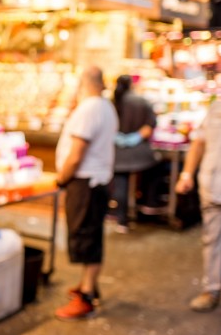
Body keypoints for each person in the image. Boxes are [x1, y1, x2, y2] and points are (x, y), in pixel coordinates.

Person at [175, 57, 221, 312]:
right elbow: (199, 142)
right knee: (212, 242)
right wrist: (187, 174)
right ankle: (211, 290)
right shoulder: (216, 108)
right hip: (212, 187)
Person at [54, 66, 119, 320]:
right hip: (97, 181)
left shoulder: (90, 108)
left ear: (83, 83)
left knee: (87, 237)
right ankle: (87, 285)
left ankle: (87, 296)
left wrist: (62, 177)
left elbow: (77, 152)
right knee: (91, 235)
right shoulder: (106, 107)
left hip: (86, 183)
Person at [110, 74, 159, 233]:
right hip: (139, 153)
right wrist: (135, 138)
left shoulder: (112, 103)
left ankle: (121, 220)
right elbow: (150, 126)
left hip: (118, 152)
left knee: (120, 184)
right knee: (153, 170)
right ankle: (147, 208)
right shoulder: (142, 101)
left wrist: (119, 138)